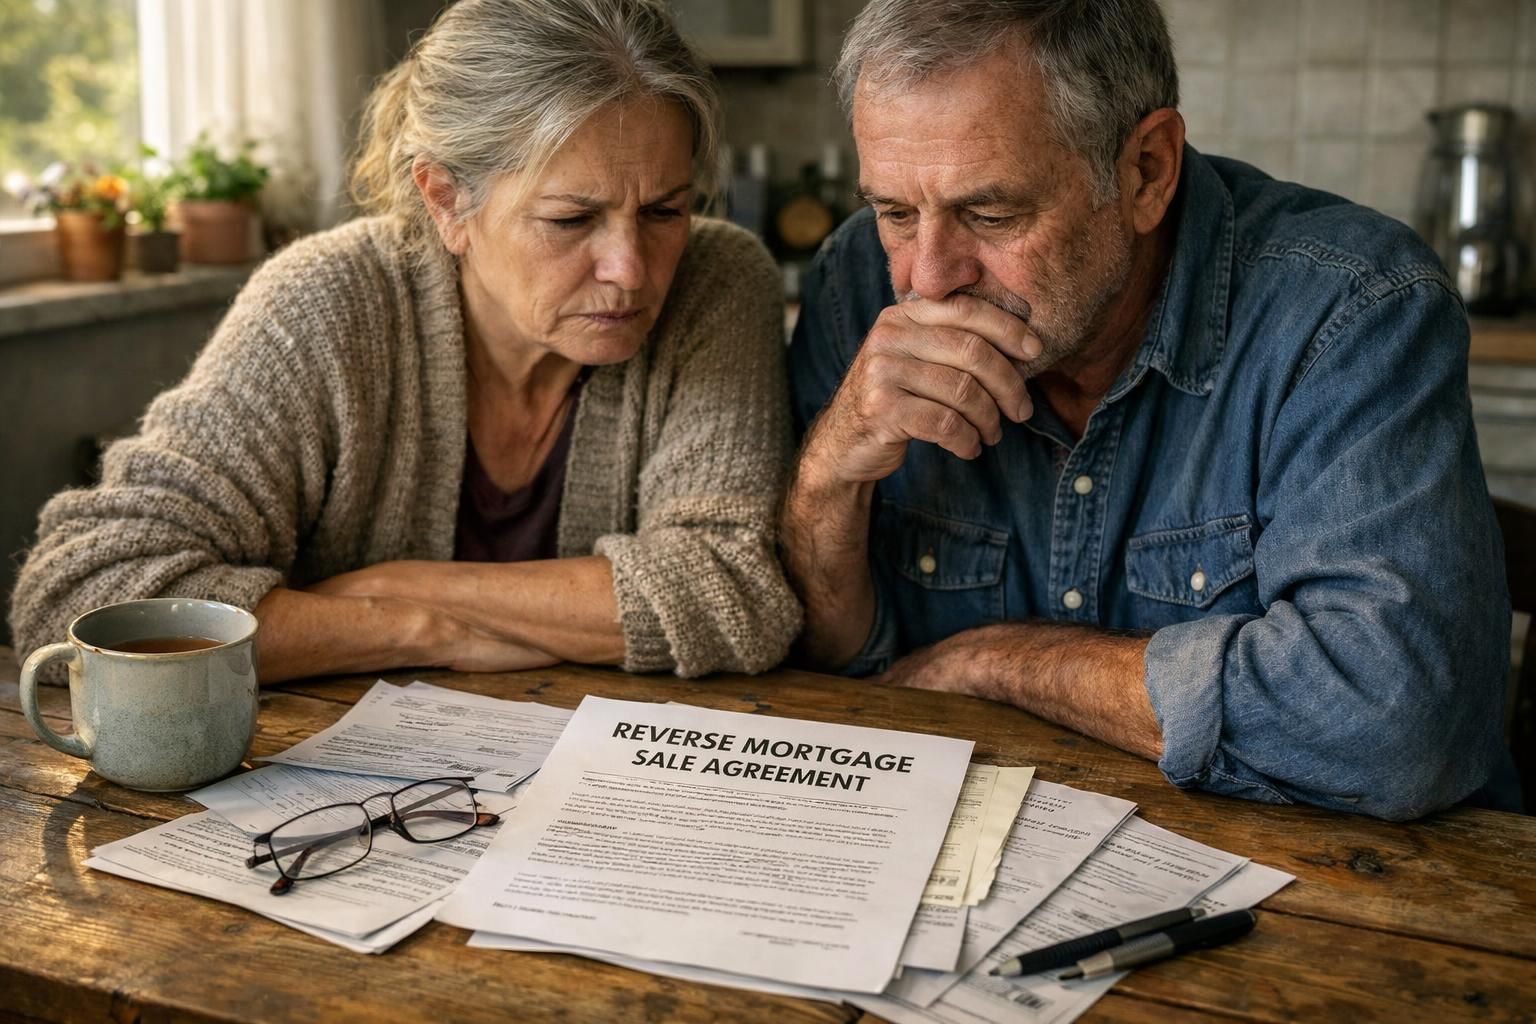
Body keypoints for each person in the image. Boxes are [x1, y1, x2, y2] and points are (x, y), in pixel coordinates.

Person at [781, 0, 1515, 820]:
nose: (926, 278)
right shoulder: (852, 282)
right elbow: (833, 663)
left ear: (1146, 171)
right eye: (894, 213)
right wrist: (827, 472)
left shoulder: (1349, 309)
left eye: (990, 215)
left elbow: (1393, 727)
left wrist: (991, 663)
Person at [10, 0, 800, 682]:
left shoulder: (717, 281)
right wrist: (414, 629)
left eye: (665, 210)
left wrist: (390, 584)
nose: (631, 271)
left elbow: (735, 592)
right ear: (446, 198)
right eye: (572, 219)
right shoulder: (326, 305)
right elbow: (84, 596)